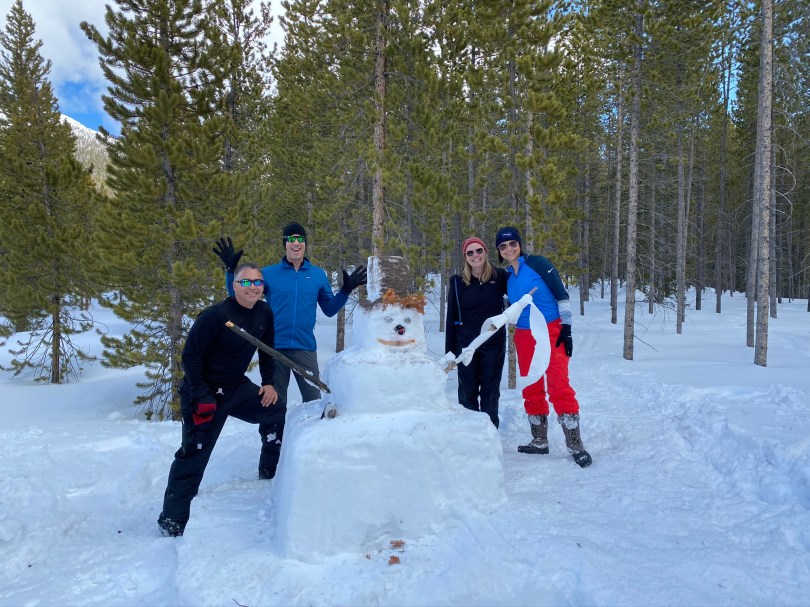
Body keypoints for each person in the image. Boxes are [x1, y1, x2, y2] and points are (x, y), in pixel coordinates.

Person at [158, 263, 287, 537]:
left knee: (275, 409)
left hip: (234, 388)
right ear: (235, 286)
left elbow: (267, 350)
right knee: (194, 452)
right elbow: (190, 356)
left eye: (258, 282)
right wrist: (200, 394)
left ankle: (269, 471)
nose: (253, 287)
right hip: (203, 392)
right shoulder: (216, 316)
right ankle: (172, 520)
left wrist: (268, 383)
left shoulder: (264, 312)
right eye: (246, 282)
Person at [213, 222, 366, 404]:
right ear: (285, 244)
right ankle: (275, 424)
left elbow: (329, 309)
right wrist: (231, 271)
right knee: (274, 404)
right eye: (291, 239)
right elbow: (240, 296)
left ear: (305, 244)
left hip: (305, 347)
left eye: (300, 239)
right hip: (273, 348)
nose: (296, 243)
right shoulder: (268, 274)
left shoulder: (317, 275)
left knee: (314, 402)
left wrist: (345, 291)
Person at [495, 226, 592, 467]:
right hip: (524, 335)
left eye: (512, 243)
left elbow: (561, 294)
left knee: (559, 384)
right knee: (532, 386)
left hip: (550, 330)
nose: (508, 248)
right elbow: (511, 305)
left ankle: (575, 443)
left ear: (519, 244)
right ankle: (539, 440)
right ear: (499, 251)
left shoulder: (538, 263)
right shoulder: (508, 276)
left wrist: (566, 328)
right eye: (503, 246)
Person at [445, 237, 508, 428]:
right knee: (467, 392)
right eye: (470, 252)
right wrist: (450, 353)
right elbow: (451, 318)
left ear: (485, 252)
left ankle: (490, 432)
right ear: (465, 256)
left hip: (493, 345)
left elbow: (515, 300)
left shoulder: (500, 277)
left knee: (490, 391)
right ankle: (470, 433)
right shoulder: (457, 282)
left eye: (479, 250)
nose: (475, 255)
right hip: (466, 346)